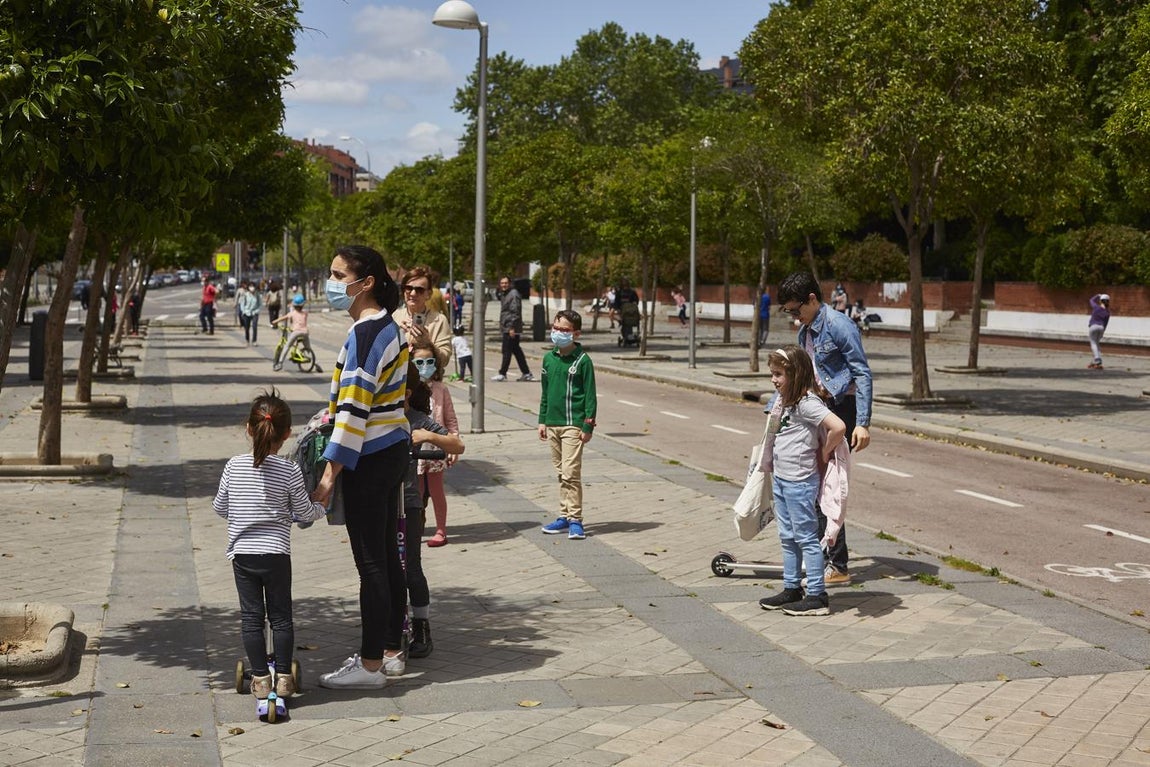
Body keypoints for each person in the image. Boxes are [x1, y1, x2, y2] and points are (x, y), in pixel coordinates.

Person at [312, 245, 410, 690]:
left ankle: (370, 666)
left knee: (371, 562)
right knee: (387, 556)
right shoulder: (388, 327)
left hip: (369, 457)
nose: (331, 283)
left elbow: (353, 409)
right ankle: (390, 651)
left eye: (337, 275)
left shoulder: (367, 334)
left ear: (365, 282)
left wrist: (329, 475)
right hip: (391, 450)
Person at [213, 389, 328, 702]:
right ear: (288, 434)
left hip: (243, 554)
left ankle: (261, 679)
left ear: (249, 429)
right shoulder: (289, 470)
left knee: (251, 618)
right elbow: (304, 512)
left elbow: (220, 507)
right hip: (276, 554)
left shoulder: (233, 466)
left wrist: (240, 512)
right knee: (281, 618)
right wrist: (322, 504)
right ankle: (285, 679)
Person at [777, 272, 872, 587]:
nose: (794, 316)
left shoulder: (839, 326)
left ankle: (837, 563)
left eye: (796, 310)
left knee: (827, 487)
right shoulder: (805, 331)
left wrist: (863, 423)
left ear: (813, 299)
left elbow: (862, 374)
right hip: (818, 410)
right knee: (813, 485)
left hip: (840, 411)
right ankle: (822, 555)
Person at [757, 346, 846, 616]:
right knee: (787, 537)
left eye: (778, 374)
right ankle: (792, 588)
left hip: (800, 480)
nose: (773, 380)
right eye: (772, 374)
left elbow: (838, 427)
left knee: (806, 538)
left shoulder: (807, 403)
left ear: (795, 374)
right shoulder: (785, 401)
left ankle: (817, 595)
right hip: (783, 478)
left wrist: (824, 451)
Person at [402, 361, 465, 659]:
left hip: (409, 504)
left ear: (406, 393)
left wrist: (428, 437)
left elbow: (457, 444)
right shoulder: (373, 419)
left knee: (411, 566)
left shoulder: (416, 419)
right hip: (379, 503)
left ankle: (421, 624)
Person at [538, 309, 597, 540]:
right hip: (552, 423)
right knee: (562, 473)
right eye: (556, 327)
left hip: (573, 424)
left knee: (571, 473)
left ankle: (575, 520)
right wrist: (542, 420)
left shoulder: (583, 361)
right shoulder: (548, 358)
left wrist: (588, 425)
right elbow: (545, 392)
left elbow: (590, 395)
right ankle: (563, 516)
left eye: (564, 330)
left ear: (576, 333)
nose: (558, 333)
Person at [411, 339, 459, 547]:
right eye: (418, 363)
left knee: (437, 490)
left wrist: (452, 442)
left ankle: (441, 530)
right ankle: (413, 529)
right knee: (416, 491)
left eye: (429, 362)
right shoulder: (408, 389)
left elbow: (450, 419)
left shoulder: (441, 389)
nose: (424, 367)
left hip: (436, 448)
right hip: (414, 449)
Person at [392, 266, 453, 367]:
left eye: (419, 290)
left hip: (425, 380)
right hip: (398, 380)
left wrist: (427, 343)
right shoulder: (395, 316)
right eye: (408, 288)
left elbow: (444, 360)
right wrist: (395, 335)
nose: (413, 293)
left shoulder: (439, 320)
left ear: (428, 294)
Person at [493, 275, 533, 382]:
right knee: (516, 350)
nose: (504, 285)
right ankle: (526, 373)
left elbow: (515, 311)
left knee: (507, 350)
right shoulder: (505, 294)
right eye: (502, 283)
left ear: (510, 284)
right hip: (507, 327)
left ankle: (502, 373)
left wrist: (511, 327)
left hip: (511, 328)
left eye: (505, 283)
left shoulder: (513, 294)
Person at [271, 294, 313, 370]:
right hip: (305, 332)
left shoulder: (292, 313)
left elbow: (284, 318)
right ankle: (314, 362)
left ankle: (280, 363)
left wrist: (274, 321)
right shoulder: (305, 313)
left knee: (287, 346)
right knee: (308, 348)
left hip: (296, 332)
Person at [1087, 293, 1111, 370]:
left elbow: (1091, 300)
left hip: (1093, 327)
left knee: (1093, 343)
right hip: (1101, 327)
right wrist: (1103, 332)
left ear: (1100, 301)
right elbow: (1106, 324)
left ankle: (1097, 359)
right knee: (1097, 343)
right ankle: (1098, 359)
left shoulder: (1096, 307)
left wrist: (1097, 296)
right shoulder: (1107, 312)